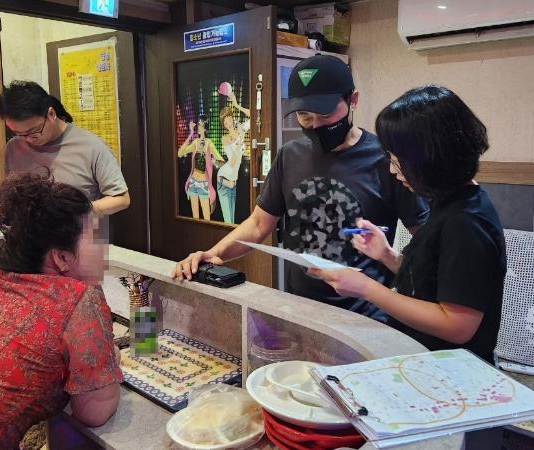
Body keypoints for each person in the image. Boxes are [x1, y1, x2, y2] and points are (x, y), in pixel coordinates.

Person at [173, 55, 429, 322]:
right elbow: (259, 224)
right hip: (299, 309)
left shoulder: (387, 161)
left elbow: (426, 242)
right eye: (305, 116)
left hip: (366, 316)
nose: (315, 125)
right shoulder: (290, 155)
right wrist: (213, 254)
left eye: (325, 114)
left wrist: (396, 263)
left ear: (353, 100)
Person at [309, 85, 506, 362]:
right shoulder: (450, 201)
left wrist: (366, 288)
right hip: (422, 359)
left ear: (431, 158)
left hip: (452, 371)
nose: (393, 169)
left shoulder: (467, 222)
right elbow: (434, 281)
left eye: (398, 160)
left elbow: (458, 326)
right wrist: (387, 255)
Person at [0, 173, 123, 449]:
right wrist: (111, 360)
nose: (103, 248)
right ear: (61, 257)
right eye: (95, 238)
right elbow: (94, 412)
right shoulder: (79, 297)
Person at [0, 81, 130, 216]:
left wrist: (77, 210)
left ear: (51, 114)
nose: (27, 139)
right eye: (18, 133)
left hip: (76, 228)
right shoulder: (14, 147)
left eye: (33, 132)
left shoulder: (91, 147)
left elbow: (121, 199)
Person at [178, 114, 224, 220]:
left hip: (203, 184)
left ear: (205, 128)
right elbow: (180, 153)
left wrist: (214, 162)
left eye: (201, 125)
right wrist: (190, 134)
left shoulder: (209, 143)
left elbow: (222, 161)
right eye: (198, 124)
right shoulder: (195, 142)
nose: (199, 127)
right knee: (195, 218)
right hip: (193, 182)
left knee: (207, 219)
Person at [217, 92, 251, 224]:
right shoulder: (224, 138)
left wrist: (236, 105)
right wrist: (240, 142)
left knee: (232, 222)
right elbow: (231, 163)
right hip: (223, 180)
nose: (228, 123)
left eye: (229, 118)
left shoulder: (240, 129)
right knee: (228, 222)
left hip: (233, 181)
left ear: (232, 117)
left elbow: (253, 115)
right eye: (225, 122)